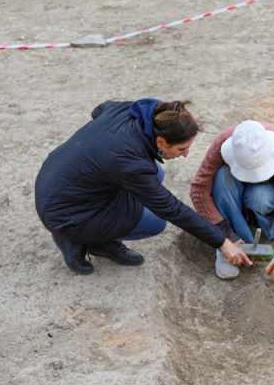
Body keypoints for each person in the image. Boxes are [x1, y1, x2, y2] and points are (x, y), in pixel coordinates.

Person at [35, 98, 251, 275]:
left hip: (56, 181)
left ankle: (98, 235)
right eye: (181, 149)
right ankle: (77, 238)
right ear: (161, 142)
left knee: (156, 173)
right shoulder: (130, 162)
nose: (185, 155)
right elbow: (171, 209)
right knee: (154, 222)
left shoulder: (138, 111)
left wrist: (99, 144)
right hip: (65, 210)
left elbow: (99, 110)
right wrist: (222, 242)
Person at [190, 120, 274, 282]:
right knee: (222, 178)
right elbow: (199, 189)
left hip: (267, 196)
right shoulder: (224, 143)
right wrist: (224, 237)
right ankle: (229, 247)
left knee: (259, 197)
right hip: (234, 195)